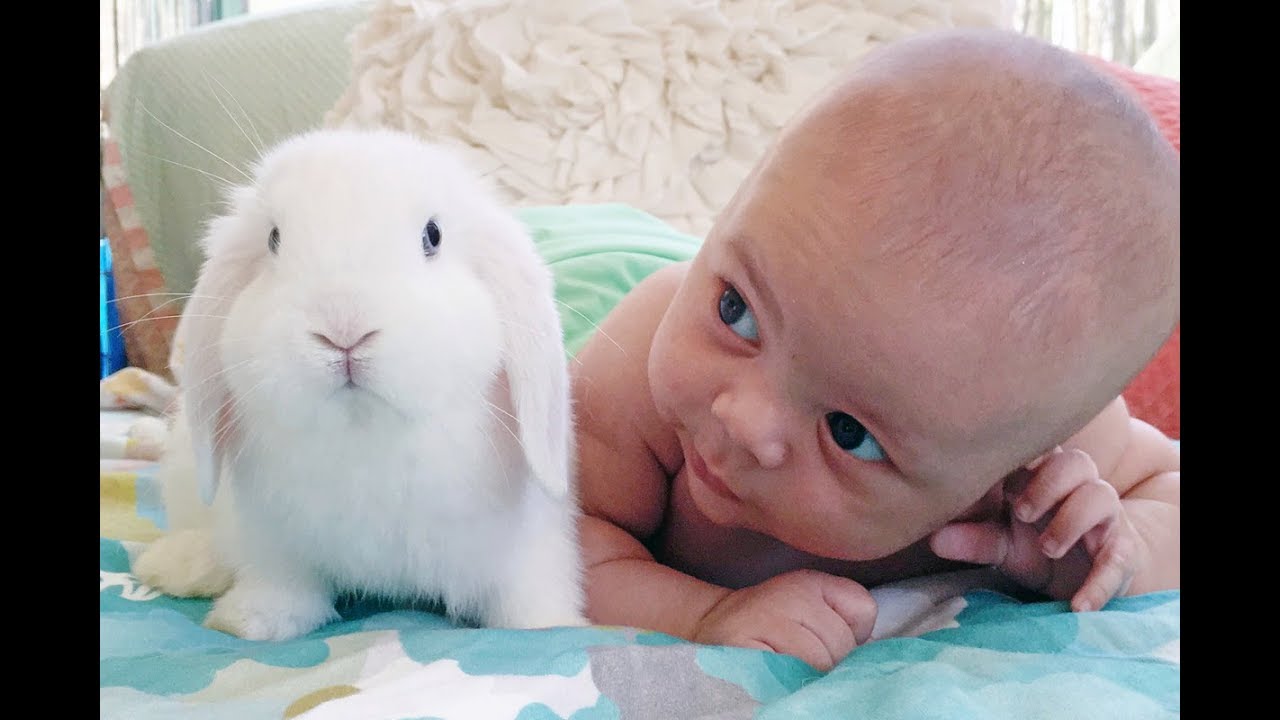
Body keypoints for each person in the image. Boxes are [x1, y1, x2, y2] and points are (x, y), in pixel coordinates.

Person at [570, 27, 1180, 673]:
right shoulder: (632, 370)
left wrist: (1117, 548)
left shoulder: (1044, 452)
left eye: (848, 433)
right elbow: (552, 541)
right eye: (736, 312)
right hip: (601, 269)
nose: (743, 420)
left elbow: (1166, 494)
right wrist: (698, 615)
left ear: (1008, 465)